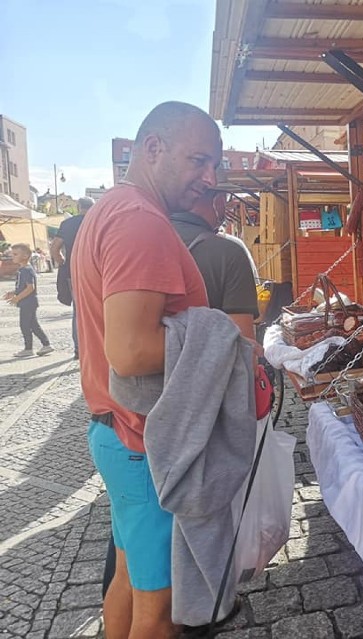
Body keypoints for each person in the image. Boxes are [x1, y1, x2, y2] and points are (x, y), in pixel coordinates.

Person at [72, 101, 221, 638]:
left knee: (131, 581)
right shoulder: (143, 222)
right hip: (144, 445)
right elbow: (131, 350)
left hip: (119, 434)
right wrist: (220, 336)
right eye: (198, 161)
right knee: (160, 612)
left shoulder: (113, 209)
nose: (209, 179)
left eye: (215, 166)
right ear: (152, 149)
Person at [171, 189, 259, 340]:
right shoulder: (229, 253)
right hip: (212, 362)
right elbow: (244, 344)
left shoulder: (140, 245)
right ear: (219, 201)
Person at [51, 196, 95, 358]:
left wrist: (63, 262)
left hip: (73, 270)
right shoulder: (98, 219)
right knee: (99, 307)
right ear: (93, 206)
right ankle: (98, 345)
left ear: (78, 207)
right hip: (96, 271)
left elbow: (54, 247)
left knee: (78, 311)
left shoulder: (68, 224)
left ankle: (79, 349)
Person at [3, 243, 53, 358]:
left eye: (15, 254)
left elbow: (30, 287)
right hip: (27, 302)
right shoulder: (23, 269)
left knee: (25, 325)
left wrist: (17, 298)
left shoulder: (26, 270)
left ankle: (28, 348)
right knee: (33, 325)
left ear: (25, 256)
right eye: (12, 254)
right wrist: (13, 293)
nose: (13, 256)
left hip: (28, 303)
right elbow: (23, 287)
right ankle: (46, 345)